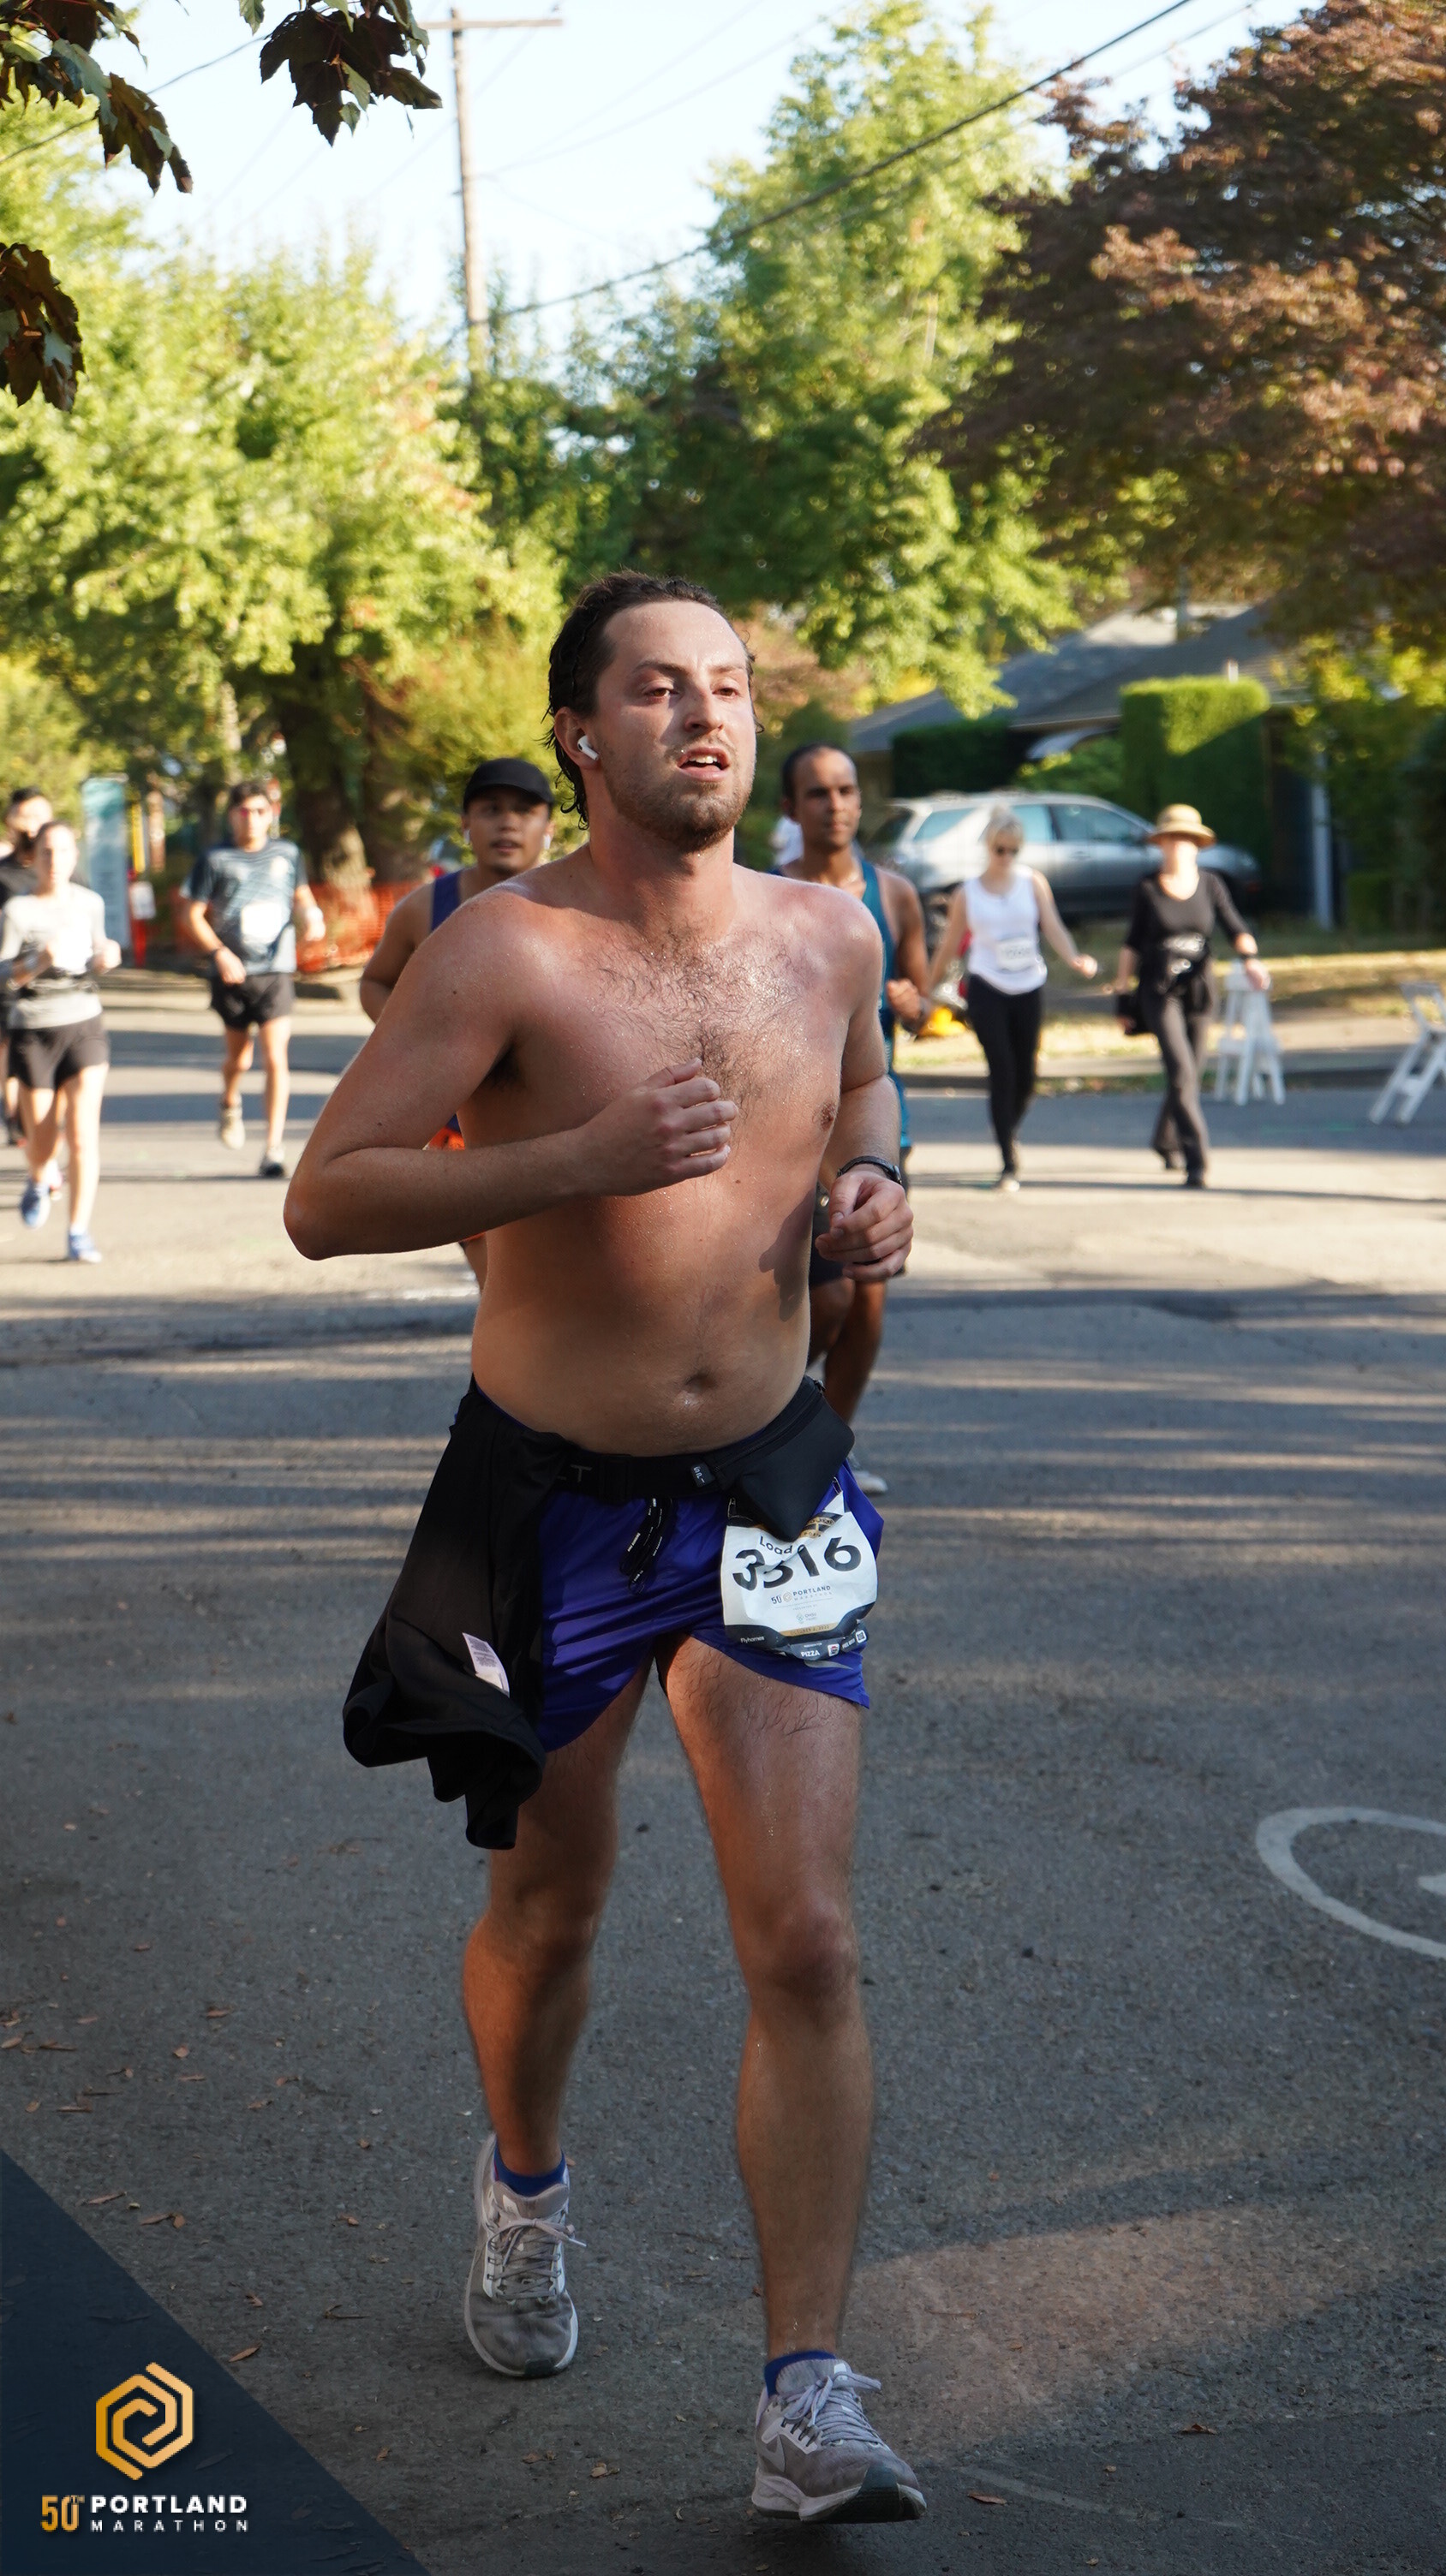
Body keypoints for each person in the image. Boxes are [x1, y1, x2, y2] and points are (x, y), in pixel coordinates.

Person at [286, 571, 924, 2526]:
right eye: (658, 688)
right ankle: (524, 2186)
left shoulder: (831, 931)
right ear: (582, 730)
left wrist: (874, 1178)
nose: (706, 715)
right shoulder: (503, 948)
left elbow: (863, 1082)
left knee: (804, 1932)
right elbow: (328, 1195)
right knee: (552, 1906)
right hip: (549, 1500)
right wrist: (575, 1158)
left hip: (773, 1486)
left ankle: (806, 2394)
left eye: (727, 684)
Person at [775, 742, 929, 1500]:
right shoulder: (768, 895)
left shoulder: (893, 894)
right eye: (817, 793)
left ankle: (827, 1452)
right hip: (791, 1120)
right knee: (824, 1297)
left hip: (874, 1113)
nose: (835, 806)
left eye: (845, 790)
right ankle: (761, 1422)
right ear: (790, 808)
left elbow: (924, 1007)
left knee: (868, 1292)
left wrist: (912, 1004)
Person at [360, 759, 555, 1288]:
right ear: (465, 823)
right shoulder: (426, 909)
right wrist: (421, 1043)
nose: (507, 823)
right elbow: (376, 982)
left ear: (550, 825)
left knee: (557, 1278)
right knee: (503, 1280)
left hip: (557, 1118)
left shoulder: (578, 903)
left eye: (524, 810)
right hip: (459, 1126)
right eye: (490, 810)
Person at [926, 802, 1098, 1191]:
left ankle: (1009, 1125)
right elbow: (950, 945)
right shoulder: (968, 893)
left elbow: (1052, 926)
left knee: (1027, 1074)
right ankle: (1008, 1160)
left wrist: (1074, 958)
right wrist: (927, 987)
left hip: (1028, 985)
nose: (1006, 857)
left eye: (1013, 851)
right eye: (999, 850)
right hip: (987, 987)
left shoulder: (1032, 883)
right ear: (988, 848)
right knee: (1002, 1068)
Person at [1114, 802, 1267, 1188]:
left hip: (1199, 992)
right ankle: (1196, 1159)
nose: (1179, 846)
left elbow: (1236, 927)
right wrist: (1122, 996)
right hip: (1158, 990)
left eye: (1187, 840)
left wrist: (1250, 960)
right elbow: (1131, 944)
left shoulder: (1211, 884)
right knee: (1181, 1073)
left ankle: (1163, 1138)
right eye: (1172, 839)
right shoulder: (1147, 888)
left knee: (1189, 1076)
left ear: (1197, 846)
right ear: (1161, 844)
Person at [182, 781, 325, 1179]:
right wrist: (219, 953)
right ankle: (230, 1100)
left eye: (260, 812)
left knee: (276, 1058)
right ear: (232, 815)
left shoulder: (288, 853)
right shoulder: (215, 859)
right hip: (232, 972)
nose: (252, 819)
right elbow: (192, 915)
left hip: (275, 970)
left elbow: (302, 896)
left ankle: (273, 1148)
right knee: (240, 1059)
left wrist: (312, 917)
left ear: (271, 814)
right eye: (244, 812)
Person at [0, 818, 121, 1261]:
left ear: (75, 857)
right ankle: (38, 1177)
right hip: (34, 1028)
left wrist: (107, 957)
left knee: (83, 1136)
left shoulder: (90, 903)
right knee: (44, 1140)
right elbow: (4, 976)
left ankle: (78, 1231)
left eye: (64, 851)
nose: (55, 861)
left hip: (84, 1023)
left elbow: (96, 954)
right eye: (47, 852)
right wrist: (37, 961)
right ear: (34, 858)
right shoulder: (17, 911)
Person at [1, 787, 52, 1147]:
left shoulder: (64, 871)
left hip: (56, 985)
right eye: (25, 817)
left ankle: (36, 1121)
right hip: (10, 979)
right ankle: (14, 1116)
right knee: (8, 1048)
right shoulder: (2, 874)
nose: (32, 826)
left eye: (39, 817)